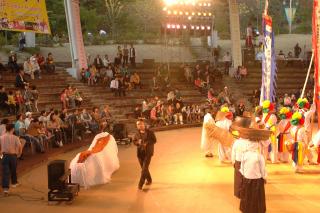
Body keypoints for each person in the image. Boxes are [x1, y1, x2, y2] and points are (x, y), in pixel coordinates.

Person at [239, 142, 267, 213]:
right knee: (256, 197)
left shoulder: (244, 155)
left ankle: (246, 209)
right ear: (256, 145)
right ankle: (257, 210)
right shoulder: (259, 156)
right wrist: (264, 177)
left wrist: (245, 176)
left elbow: (242, 168)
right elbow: (263, 169)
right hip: (257, 180)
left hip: (246, 179)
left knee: (247, 195)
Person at [133, 119, 157, 190]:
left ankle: (140, 184)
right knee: (144, 168)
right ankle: (149, 180)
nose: (140, 125)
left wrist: (147, 143)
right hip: (140, 154)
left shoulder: (150, 132)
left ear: (144, 124)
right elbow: (134, 141)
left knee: (144, 169)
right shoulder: (137, 134)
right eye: (138, 124)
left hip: (148, 153)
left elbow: (154, 140)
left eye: (141, 124)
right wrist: (138, 142)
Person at [0, 124, 23, 196]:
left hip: (4, 155)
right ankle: (14, 183)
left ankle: (5, 189)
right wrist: (19, 154)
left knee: (5, 172)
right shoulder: (15, 137)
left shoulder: (1, 137)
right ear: (12, 129)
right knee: (13, 170)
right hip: (13, 155)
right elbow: (19, 146)